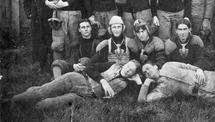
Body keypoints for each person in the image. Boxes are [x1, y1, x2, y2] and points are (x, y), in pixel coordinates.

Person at [12, 60, 141, 111]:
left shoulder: (127, 85)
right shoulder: (112, 65)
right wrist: (102, 80)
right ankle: (15, 101)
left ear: (133, 74)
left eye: (132, 70)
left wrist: (138, 82)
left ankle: (28, 104)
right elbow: (90, 67)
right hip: (79, 80)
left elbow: (137, 100)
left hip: (86, 97)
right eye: (128, 65)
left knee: (47, 105)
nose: (128, 69)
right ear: (125, 63)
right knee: (44, 91)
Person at [138, 61, 215, 104]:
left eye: (148, 68)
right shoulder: (160, 89)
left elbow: (186, 66)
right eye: (145, 73)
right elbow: (142, 101)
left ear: (155, 66)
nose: (147, 72)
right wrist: (146, 84)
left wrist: (199, 70)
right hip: (204, 96)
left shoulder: (168, 65)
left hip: (211, 78)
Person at [76, 16, 139, 97]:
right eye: (114, 27)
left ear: (123, 28)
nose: (116, 30)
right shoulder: (106, 44)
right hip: (111, 73)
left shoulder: (129, 43)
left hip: (127, 73)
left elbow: (136, 61)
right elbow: (93, 61)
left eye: (119, 27)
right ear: (110, 29)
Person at [23, 0, 54, 72]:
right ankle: (42, 66)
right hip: (38, 19)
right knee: (40, 42)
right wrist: (29, 13)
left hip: (52, 17)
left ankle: (53, 65)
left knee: (52, 41)